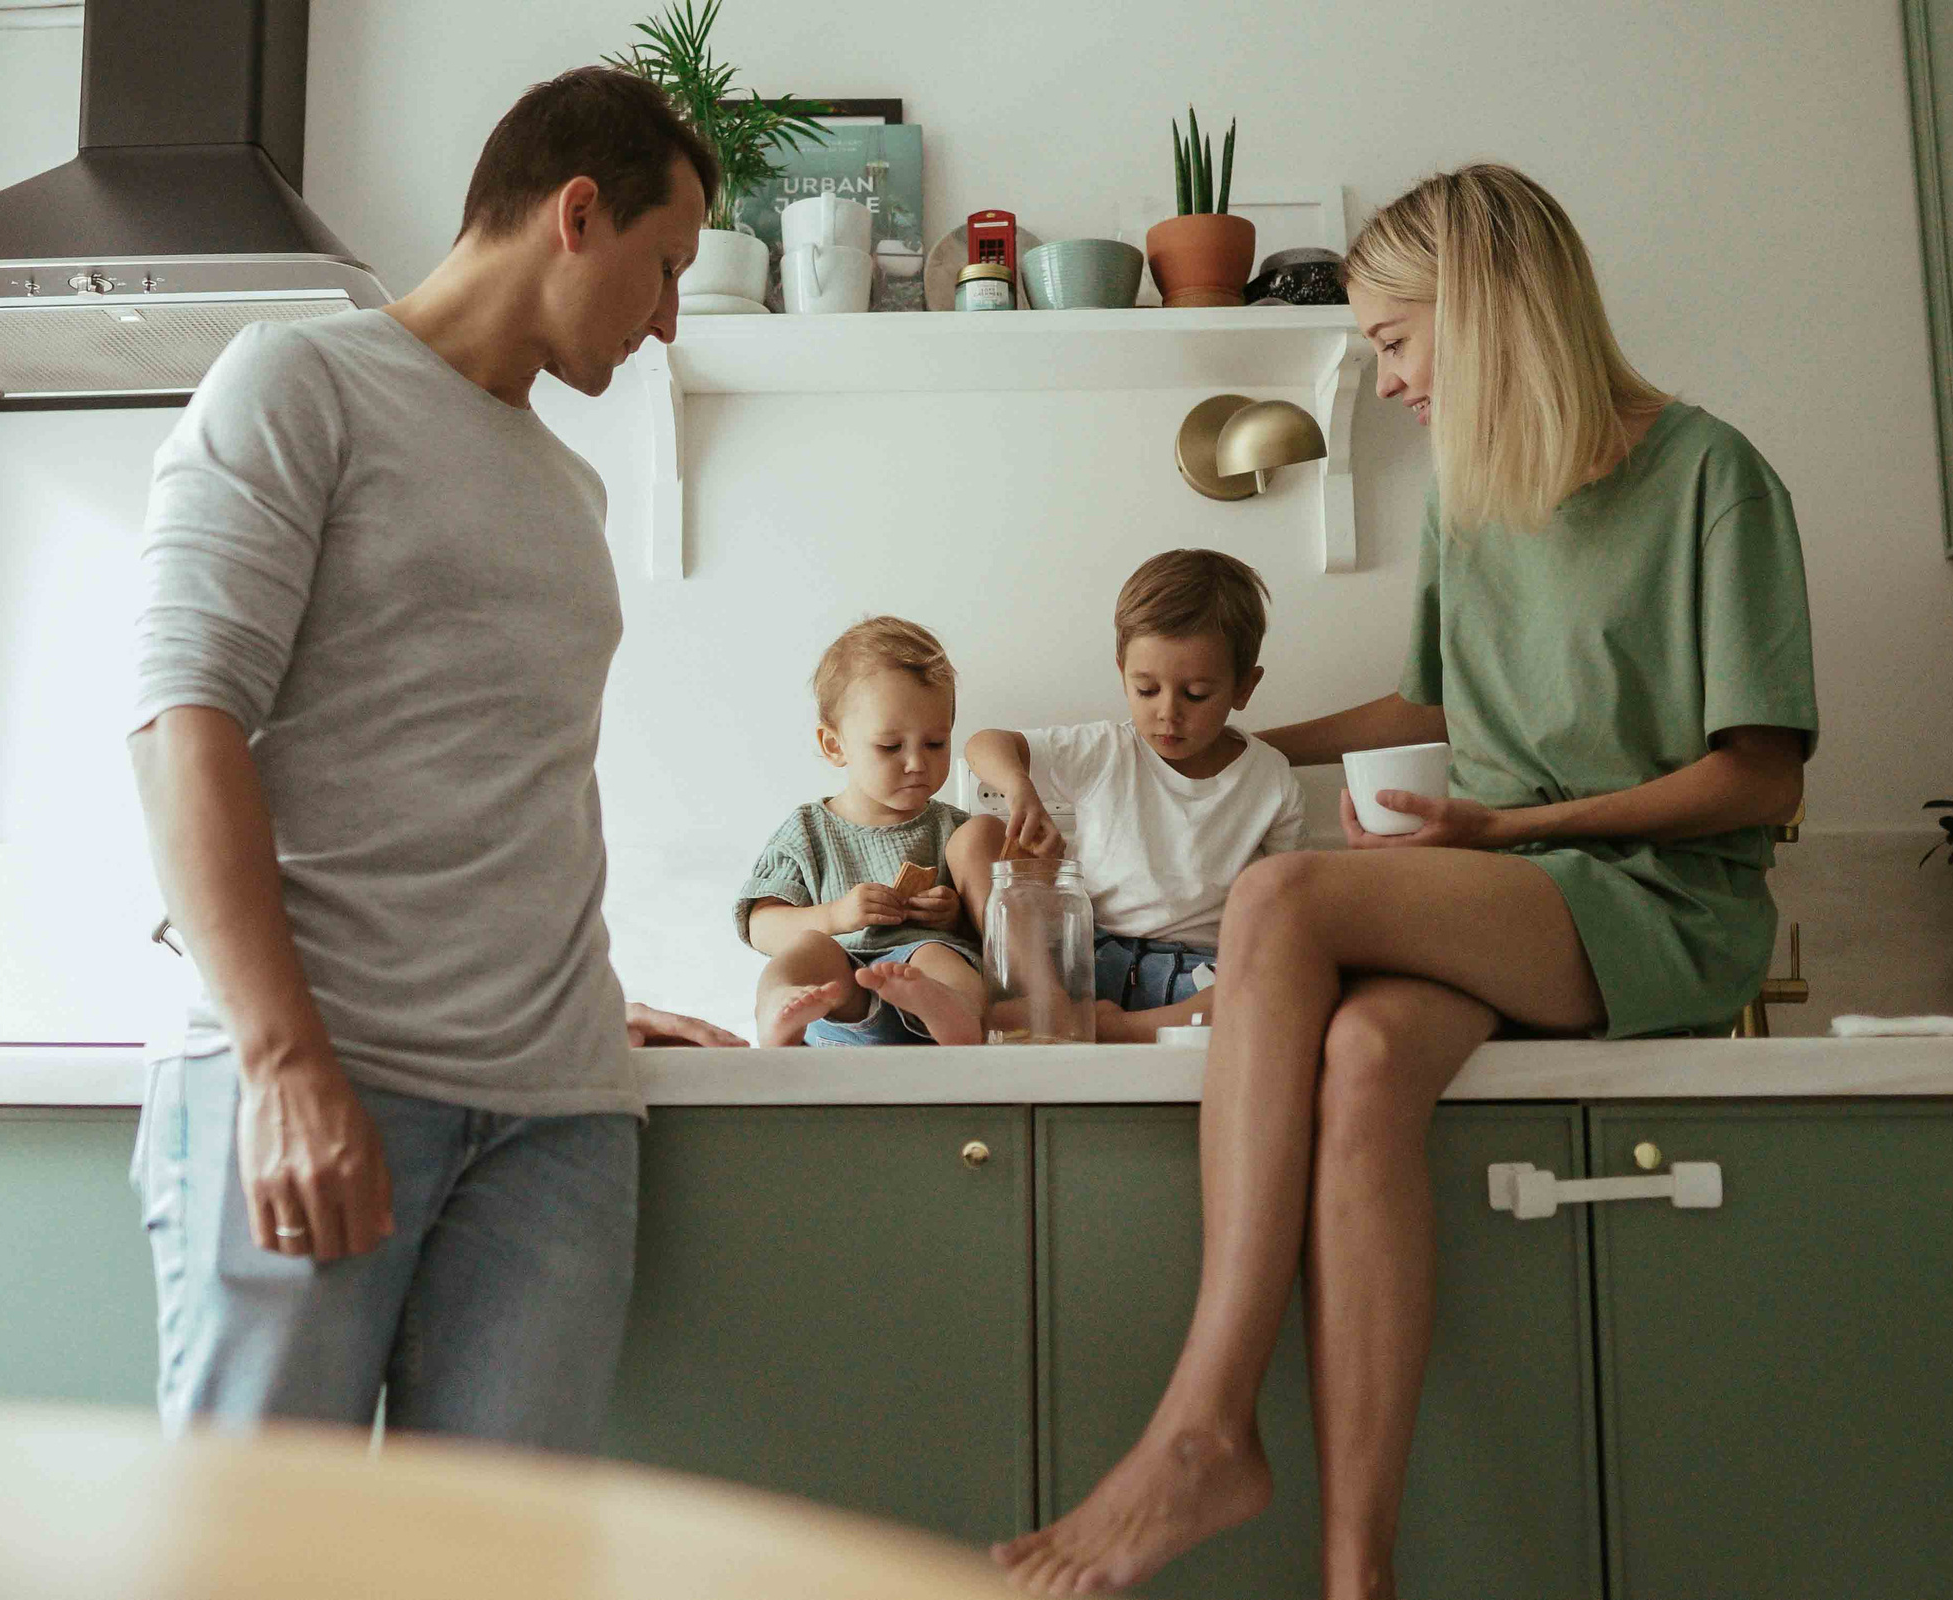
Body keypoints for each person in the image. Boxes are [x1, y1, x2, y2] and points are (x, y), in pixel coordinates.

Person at [996, 163, 1816, 1594]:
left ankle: (1199, 1426)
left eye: (1391, 339)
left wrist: (1500, 837)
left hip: (1662, 909)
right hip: (1518, 905)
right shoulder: (1471, 495)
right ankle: (1356, 1573)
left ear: (1486, 312)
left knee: (1280, 899)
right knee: (1366, 1054)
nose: (1384, 383)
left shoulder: (1711, 477)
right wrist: (1241, 746)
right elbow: (1430, 707)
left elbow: (1761, 776)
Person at [125, 66, 745, 1451]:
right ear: (577, 212)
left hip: (555, 1119)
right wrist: (283, 1065)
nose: (668, 320)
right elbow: (185, 721)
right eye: (664, 269)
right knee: (261, 1560)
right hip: (325, 1074)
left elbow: (509, 770)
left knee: (505, 1565)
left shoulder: (566, 486)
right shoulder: (300, 382)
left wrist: (559, 981)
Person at [952, 550, 1305, 1044]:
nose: (1168, 712)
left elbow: (1288, 901)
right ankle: (1049, 1004)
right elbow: (982, 743)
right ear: (1122, 672)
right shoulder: (1107, 749)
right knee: (973, 839)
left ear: (1245, 686)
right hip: (1079, 960)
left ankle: (1113, 1030)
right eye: (1146, 689)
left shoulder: (1270, 778)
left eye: (1196, 694)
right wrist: (1019, 787)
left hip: (1197, 976)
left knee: (1280, 987)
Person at [736, 617, 984, 1048]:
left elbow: (992, 929)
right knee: (809, 951)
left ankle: (956, 1014)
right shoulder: (807, 831)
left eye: (935, 744)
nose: (916, 763)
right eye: (890, 747)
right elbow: (761, 926)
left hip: (921, 994)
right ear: (835, 745)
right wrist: (836, 917)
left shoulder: (954, 829)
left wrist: (953, 916)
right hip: (835, 996)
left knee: (937, 955)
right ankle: (778, 1011)